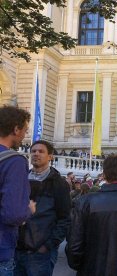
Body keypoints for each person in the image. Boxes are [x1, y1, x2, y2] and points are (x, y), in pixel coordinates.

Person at [66, 155, 117, 275]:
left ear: (104, 174)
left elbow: (74, 244)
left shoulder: (84, 201)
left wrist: (81, 265)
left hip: (92, 269)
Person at [14, 140, 71, 276]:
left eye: (41, 151)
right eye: (33, 151)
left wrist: (49, 244)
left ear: (50, 156)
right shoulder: (21, 179)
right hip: (17, 249)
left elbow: (65, 218)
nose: (36, 154)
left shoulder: (59, 184)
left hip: (41, 253)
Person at [0, 106, 35, 276]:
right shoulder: (14, 161)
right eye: (25, 130)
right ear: (15, 129)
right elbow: (13, 214)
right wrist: (29, 210)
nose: (24, 135)